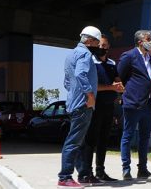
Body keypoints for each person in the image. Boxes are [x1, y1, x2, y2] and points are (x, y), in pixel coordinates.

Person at [57, 26, 101, 188]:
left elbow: (67, 82)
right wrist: (90, 95)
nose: (98, 46)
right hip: (83, 104)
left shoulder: (71, 54)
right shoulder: (85, 54)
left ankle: (83, 174)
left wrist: (74, 94)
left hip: (73, 102)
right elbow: (80, 74)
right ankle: (65, 177)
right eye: (96, 42)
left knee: (79, 141)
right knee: (74, 142)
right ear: (89, 40)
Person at [78, 34, 124, 184]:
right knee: (90, 140)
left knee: (104, 140)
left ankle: (101, 171)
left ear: (108, 47)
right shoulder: (91, 62)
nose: (101, 48)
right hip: (94, 106)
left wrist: (120, 87)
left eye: (104, 46)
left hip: (109, 106)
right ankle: (86, 172)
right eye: (99, 46)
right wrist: (111, 87)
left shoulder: (111, 63)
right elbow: (93, 86)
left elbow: (117, 81)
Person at [117, 29, 151, 180]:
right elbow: (119, 76)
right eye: (148, 39)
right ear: (140, 41)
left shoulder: (150, 59)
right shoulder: (129, 56)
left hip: (148, 104)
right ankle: (126, 169)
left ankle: (143, 169)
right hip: (133, 103)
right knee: (128, 135)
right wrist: (123, 95)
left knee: (144, 138)